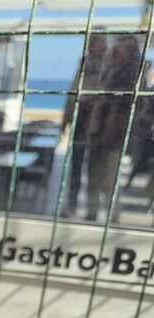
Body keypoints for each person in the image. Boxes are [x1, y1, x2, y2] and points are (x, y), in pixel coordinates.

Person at [86, 35, 143, 221]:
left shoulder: (132, 74)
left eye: (121, 49)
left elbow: (129, 106)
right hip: (100, 132)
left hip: (116, 136)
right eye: (116, 48)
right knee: (95, 175)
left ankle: (113, 216)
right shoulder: (109, 67)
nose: (116, 52)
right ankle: (92, 213)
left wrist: (106, 101)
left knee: (109, 179)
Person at [61, 34, 107, 217]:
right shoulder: (84, 62)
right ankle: (72, 203)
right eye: (91, 41)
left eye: (96, 41)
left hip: (99, 121)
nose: (92, 45)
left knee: (95, 167)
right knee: (76, 164)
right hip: (82, 117)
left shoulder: (109, 63)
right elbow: (74, 90)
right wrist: (65, 120)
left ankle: (92, 209)